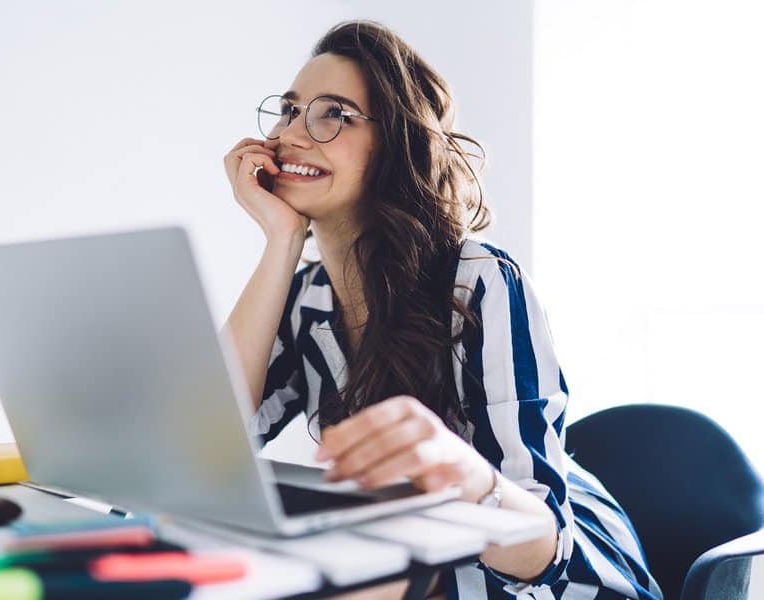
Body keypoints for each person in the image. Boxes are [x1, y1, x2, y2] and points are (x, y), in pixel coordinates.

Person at [222, 19, 662, 600]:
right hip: (426, 567)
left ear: (396, 143)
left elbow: (543, 550)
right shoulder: (305, 298)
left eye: (333, 114)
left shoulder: (480, 281)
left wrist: (470, 479)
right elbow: (211, 448)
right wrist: (280, 241)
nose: (293, 134)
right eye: (289, 109)